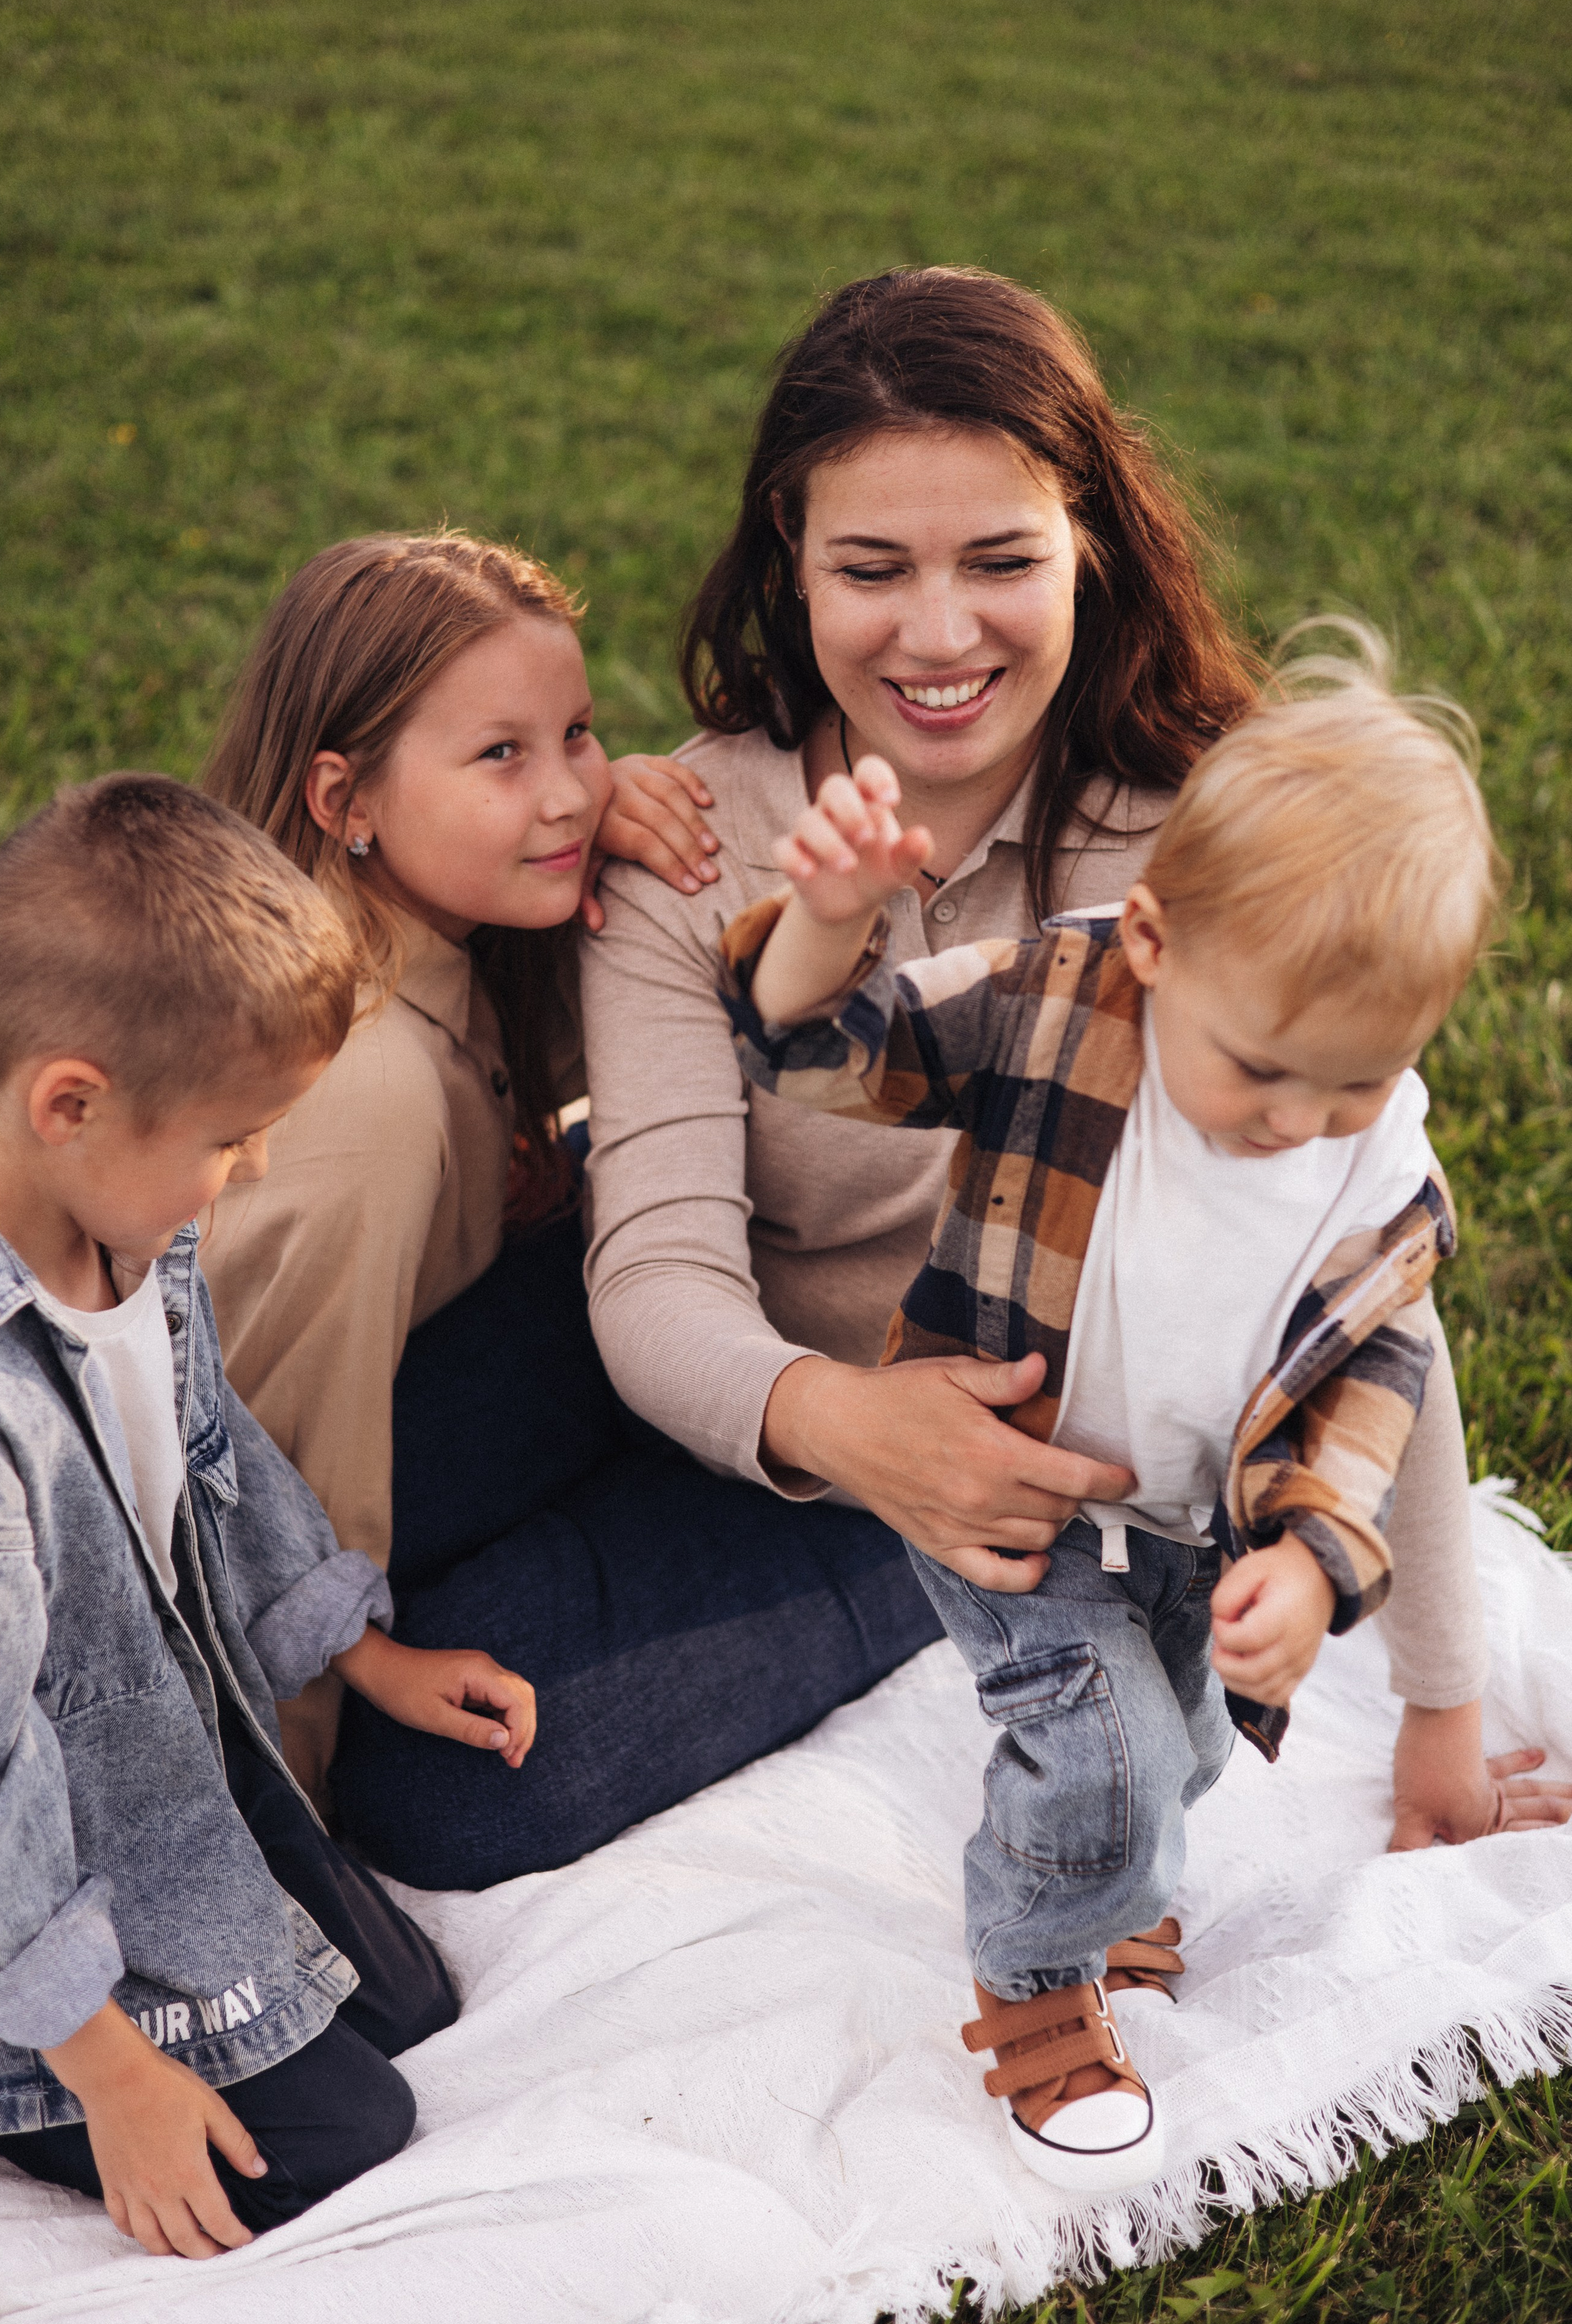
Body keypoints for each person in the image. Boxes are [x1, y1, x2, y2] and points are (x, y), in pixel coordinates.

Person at [582, 263, 1569, 1867]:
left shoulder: (1209, 841)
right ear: (790, 556)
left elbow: (1371, 1286)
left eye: (999, 560)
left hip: (1016, 1505)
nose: (939, 631)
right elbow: (653, 1285)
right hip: (777, 1414)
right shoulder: (693, 839)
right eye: (870, 567)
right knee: (407, 1571)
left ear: (1086, 544)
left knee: (473, 1798)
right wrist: (852, 1425)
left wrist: (1439, 1722)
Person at [715, 629, 1496, 2191]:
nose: (1295, 1124)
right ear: (1150, 938)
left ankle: (1115, 1883)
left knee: (1191, 1747)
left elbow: (1371, 1384)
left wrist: (1311, 1559)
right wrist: (824, 922)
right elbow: (815, 1056)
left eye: (1351, 1083)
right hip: (1009, 1483)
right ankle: (1031, 1977)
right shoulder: (1052, 997)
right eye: (1261, 1071)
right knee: (1111, 1761)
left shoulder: (1375, 1173)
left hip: (1193, 1524)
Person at [199, 531, 930, 1886]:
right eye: (501, 755)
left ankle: (885, 1530)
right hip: (262, 1489)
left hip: (467, 1376)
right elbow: (239, 1491)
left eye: (580, 734)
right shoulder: (358, 1103)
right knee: (424, 1786)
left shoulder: (448, 939)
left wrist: (615, 816)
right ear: (341, 796)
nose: (567, 793)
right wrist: (265, 1862)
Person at [0, 775, 534, 2259]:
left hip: (155, 1756)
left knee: (404, 2007)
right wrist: (111, 2070)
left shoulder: (122, 1220)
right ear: (72, 1102)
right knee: (343, 2139)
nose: (251, 1171)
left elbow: (216, 1459)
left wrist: (354, 1652)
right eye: (234, 1137)